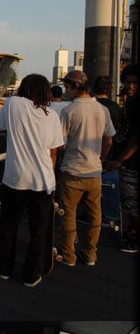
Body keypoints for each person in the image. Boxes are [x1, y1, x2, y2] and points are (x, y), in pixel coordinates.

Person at [0, 73, 64, 288]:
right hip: (43, 181)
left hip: (15, 179)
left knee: (8, 226)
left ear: (25, 89)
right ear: (45, 92)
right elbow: (53, 153)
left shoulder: (12, 104)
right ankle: (31, 274)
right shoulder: (52, 116)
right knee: (38, 230)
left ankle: (3, 268)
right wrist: (52, 177)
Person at [56, 70, 115, 267]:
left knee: (68, 213)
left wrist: (63, 156)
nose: (66, 91)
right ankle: (90, 254)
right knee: (95, 214)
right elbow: (108, 140)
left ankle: (68, 255)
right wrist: (101, 158)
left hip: (72, 171)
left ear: (75, 87)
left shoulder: (68, 111)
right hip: (95, 171)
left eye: (67, 87)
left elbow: (59, 143)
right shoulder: (102, 110)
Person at [105, 63, 139, 253]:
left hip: (131, 163)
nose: (130, 86)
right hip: (128, 161)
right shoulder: (129, 102)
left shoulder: (135, 103)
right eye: (128, 82)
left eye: (135, 82)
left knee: (131, 202)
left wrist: (121, 159)